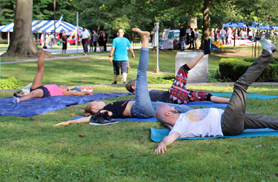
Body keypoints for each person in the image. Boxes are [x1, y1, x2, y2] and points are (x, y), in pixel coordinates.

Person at [154, 37, 278, 154]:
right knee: (241, 85)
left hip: (230, 118)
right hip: (226, 124)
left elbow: (209, 98)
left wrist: (232, 101)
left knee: (269, 121)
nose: (172, 106)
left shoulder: (181, 117)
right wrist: (162, 143)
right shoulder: (178, 127)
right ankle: (267, 53)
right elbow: (171, 137)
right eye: (169, 107)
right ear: (168, 113)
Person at [55, 29, 192, 126]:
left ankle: (201, 114)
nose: (97, 101)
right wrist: (68, 122)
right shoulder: (103, 111)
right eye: (94, 103)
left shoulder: (108, 107)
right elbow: (85, 119)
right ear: (93, 109)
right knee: (141, 75)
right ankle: (145, 40)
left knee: (173, 107)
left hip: (146, 108)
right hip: (140, 109)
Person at [125, 40, 229, 104]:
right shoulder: (139, 95)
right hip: (173, 97)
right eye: (137, 82)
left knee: (205, 95)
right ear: (133, 87)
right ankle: (204, 52)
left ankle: (230, 101)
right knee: (183, 70)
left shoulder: (145, 92)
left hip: (179, 97)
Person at [12, 47, 92, 103]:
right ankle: (44, 50)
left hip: (45, 92)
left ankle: (19, 100)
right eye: (64, 85)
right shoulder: (58, 87)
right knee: (40, 70)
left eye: (65, 87)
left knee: (32, 94)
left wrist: (85, 93)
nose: (63, 86)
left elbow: (75, 93)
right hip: (40, 88)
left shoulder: (62, 92)